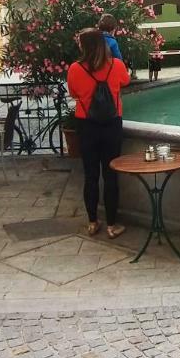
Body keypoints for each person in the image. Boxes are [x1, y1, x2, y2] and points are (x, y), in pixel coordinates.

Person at [67, 27, 130, 239]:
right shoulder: (117, 65)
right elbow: (125, 82)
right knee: (111, 175)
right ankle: (112, 225)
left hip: (86, 125)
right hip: (112, 124)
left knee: (90, 175)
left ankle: (93, 222)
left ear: (84, 45)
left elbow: (73, 93)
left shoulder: (75, 68)